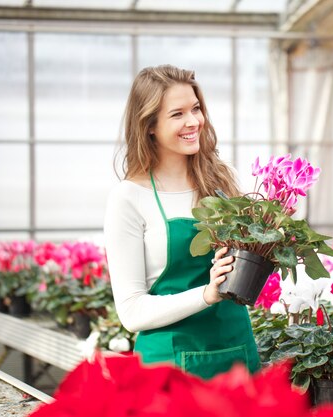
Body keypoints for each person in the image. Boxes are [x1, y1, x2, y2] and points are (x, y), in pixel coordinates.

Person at [103, 64, 260, 379]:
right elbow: (132, 312)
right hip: (170, 368)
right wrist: (208, 293)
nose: (194, 122)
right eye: (177, 114)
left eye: (196, 109)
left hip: (238, 356)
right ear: (149, 125)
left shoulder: (219, 182)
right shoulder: (129, 198)